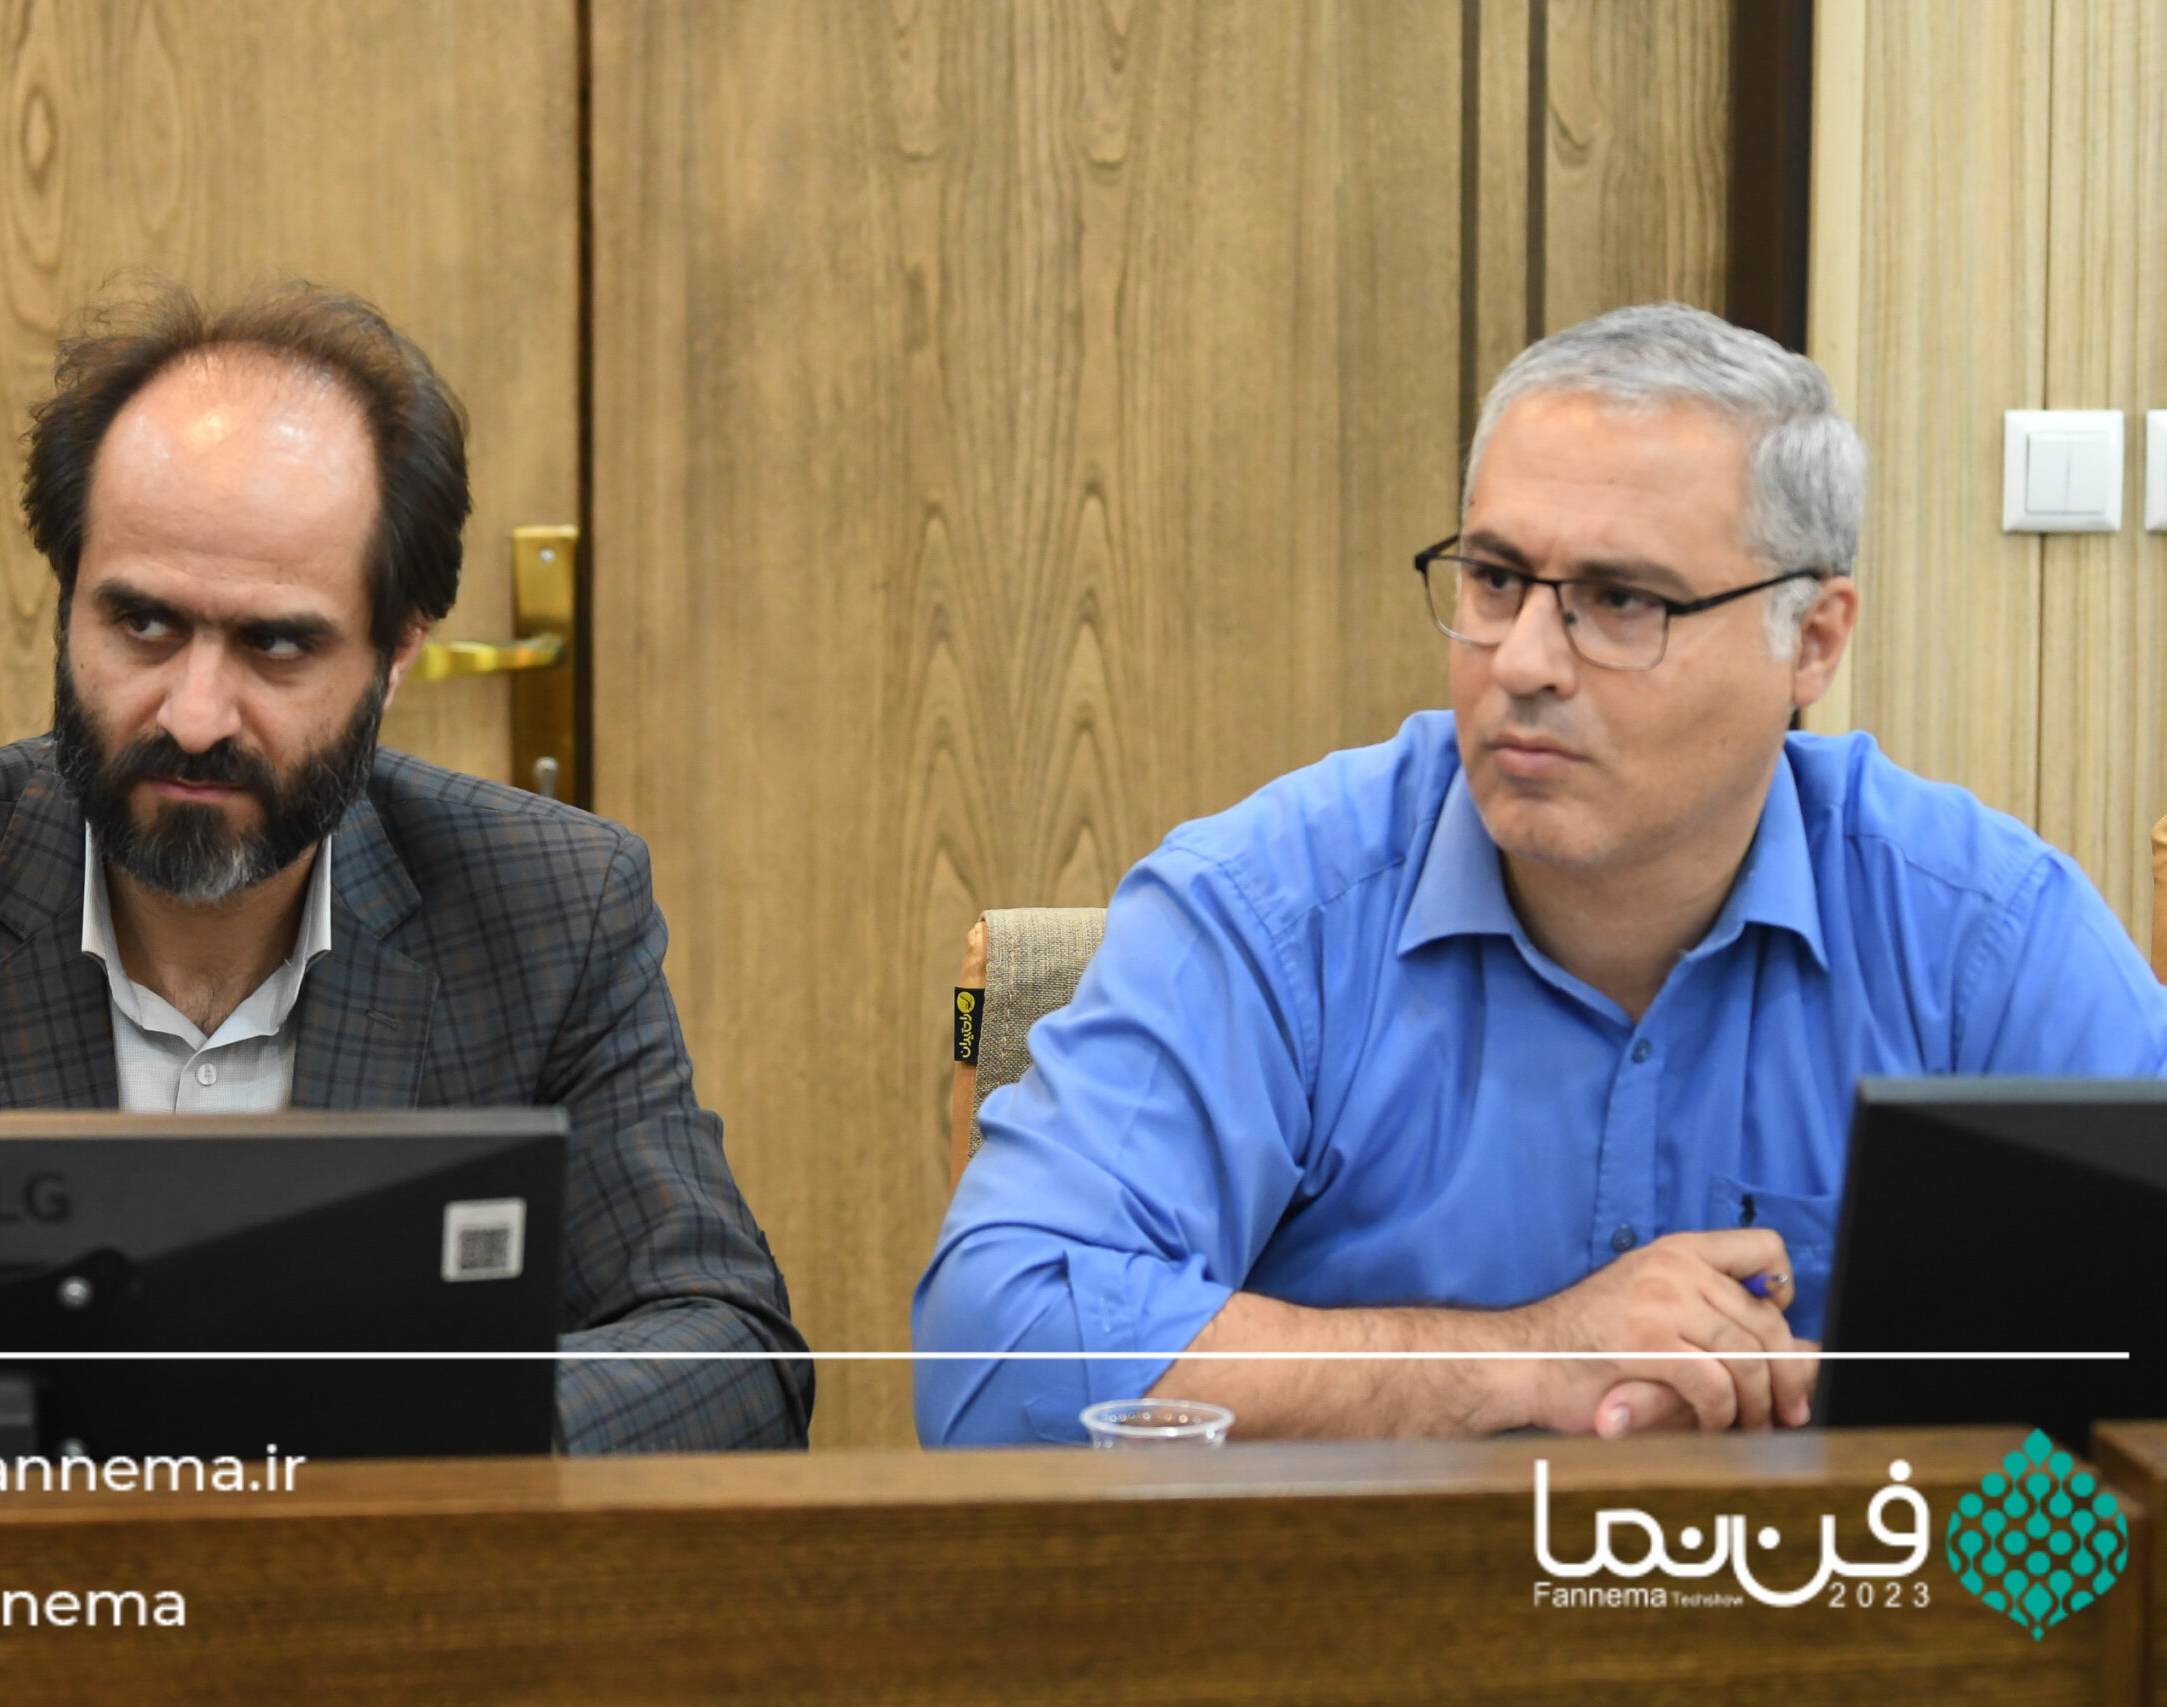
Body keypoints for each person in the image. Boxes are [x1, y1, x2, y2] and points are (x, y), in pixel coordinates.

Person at [913, 302, 2167, 1447]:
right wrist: (1524, 1358)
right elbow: (991, 1358)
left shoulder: (1977, 934)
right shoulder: (1265, 909)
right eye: (1496, 579)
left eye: (1620, 600)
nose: (1521, 660)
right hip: (1372, 1606)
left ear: (1811, 639)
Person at [0, 280, 811, 1455]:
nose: (196, 716)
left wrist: (391, 1440)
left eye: (274, 644)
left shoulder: (552, 906)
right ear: (67, 604)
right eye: (143, 625)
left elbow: (733, 1357)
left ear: (397, 651)